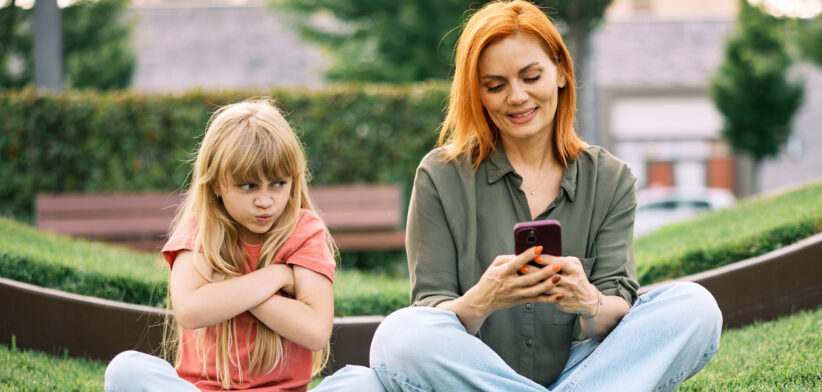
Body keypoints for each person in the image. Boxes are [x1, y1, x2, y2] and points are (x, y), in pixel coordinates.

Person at [313, 1, 721, 391]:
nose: (517, 97)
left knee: (694, 306)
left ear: (560, 71)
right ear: (477, 92)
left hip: (582, 369)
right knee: (396, 337)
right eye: (496, 85)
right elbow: (429, 314)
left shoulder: (610, 178)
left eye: (531, 77)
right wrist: (482, 299)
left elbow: (615, 309)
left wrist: (588, 299)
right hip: (468, 374)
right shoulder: (440, 175)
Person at [104, 99, 336, 391]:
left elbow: (315, 331)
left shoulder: (304, 229)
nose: (265, 201)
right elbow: (190, 310)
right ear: (215, 184)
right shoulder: (199, 229)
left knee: (362, 382)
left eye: (278, 183)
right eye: (248, 186)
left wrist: (225, 287)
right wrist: (276, 276)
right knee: (126, 370)